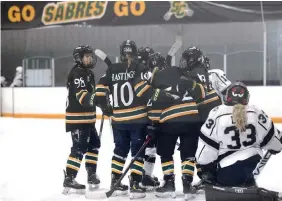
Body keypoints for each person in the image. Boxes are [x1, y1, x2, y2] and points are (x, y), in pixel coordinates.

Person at [196, 81, 282, 201]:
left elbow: (206, 149)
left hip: (226, 172)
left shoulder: (217, 113)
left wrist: (205, 169)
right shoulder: (256, 112)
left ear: (227, 97)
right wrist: (275, 146)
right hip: (251, 164)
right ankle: (249, 184)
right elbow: (276, 141)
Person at [95, 40, 150, 199]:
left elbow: (99, 92)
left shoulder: (112, 69)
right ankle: (135, 183)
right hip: (137, 119)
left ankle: (115, 182)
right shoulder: (139, 67)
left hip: (118, 120)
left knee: (120, 150)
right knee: (137, 152)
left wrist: (106, 108)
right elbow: (147, 90)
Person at [147, 52, 206, 199]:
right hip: (192, 118)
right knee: (188, 154)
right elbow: (201, 94)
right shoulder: (180, 71)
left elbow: (154, 108)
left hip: (170, 120)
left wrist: (154, 125)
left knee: (166, 153)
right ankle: (187, 184)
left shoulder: (154, 80)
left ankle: (168, 183)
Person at [63, 45, 100, 194]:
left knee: (94, 145)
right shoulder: (77, 73)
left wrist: (101, 102)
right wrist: (99, 100)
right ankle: (69, 178)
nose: (90, 58)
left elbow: (92, 96)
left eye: (91, 56)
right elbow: (83, 97)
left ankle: (91, 174)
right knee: (79, 148)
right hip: (78, 119)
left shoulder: (88, 73)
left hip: (88, 119)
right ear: (79, 58)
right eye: (87, 56)